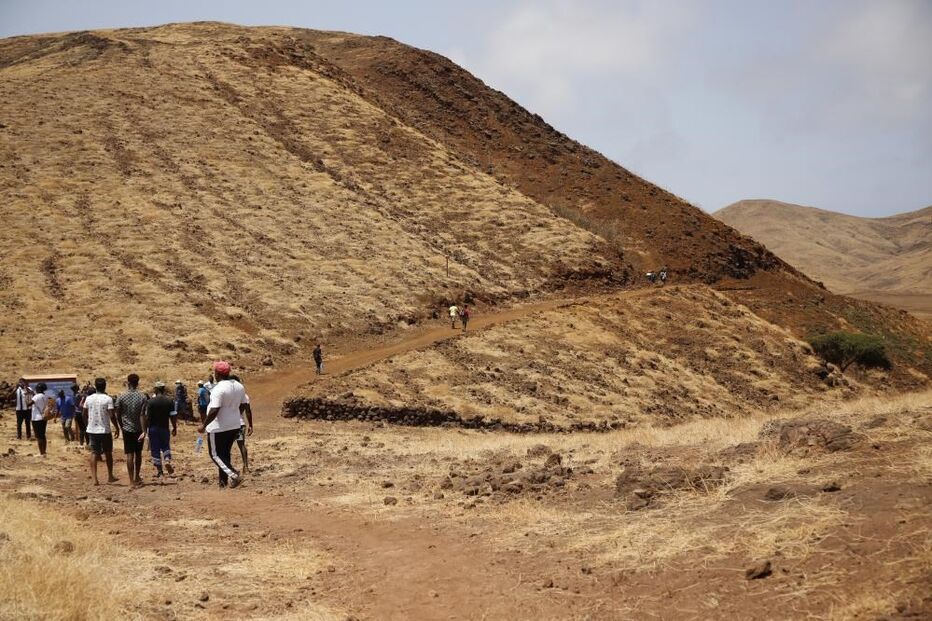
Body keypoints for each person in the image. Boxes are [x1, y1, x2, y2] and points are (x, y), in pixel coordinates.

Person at [199, 361, 248, 488]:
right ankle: (223, 483)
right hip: (234, 425)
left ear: (217, 373)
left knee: (215, 455)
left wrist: (204, 425)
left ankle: (234, 475)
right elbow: (243, 404)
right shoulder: (239, 386)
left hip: (217, 427)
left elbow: (214, 410)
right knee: (225, 454)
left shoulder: (218, 388)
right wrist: (235, 413)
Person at [84, 377, 118, 486]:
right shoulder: (108, 399)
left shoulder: (88, 398)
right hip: (105, 430)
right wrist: (117, 427)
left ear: (95, 386)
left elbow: (84, 413)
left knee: (94, 453)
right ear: (105, 386)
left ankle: (95, 479)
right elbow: (112, 415)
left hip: (92, 430)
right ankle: (110, 476)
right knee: (108, 453)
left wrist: (87, 424)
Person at [115, 373, 148, 487]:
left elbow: (118, 414)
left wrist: (121, 425)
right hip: (139, 429)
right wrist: (145, 430)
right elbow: (144, 415)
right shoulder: (142, 397)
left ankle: (131, 480)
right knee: (138, 454)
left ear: (128, 383)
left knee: (129, 454)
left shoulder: (121, 396)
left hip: (127, 429)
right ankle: (137, 476)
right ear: (137, 383)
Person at [143, 382, 177, 479]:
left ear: (156, 389)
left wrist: (145, 430)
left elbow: (147, 417)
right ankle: (166, 460)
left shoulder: (151, 402)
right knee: (165, 446)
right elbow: (173, 416)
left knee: (155, 449)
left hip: (153, 428)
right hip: (164, 427)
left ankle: (160, 472)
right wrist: (174, 427)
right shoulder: (170, 401)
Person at [229, 375, 254, 472]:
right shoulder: (244, 396)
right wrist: (251, 425)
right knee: (242, 445)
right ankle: (246, 467)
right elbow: (248, 411)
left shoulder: (227, 394)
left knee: (227, 447)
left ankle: (229, 468)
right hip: (239, 424)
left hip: (228, 425)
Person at [29, 382, 50, 456]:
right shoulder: (45, 396)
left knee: (38, 436)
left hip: (36, 418)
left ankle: (41, 453)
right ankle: (44, 451)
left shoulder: (36, 396)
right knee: (43, 435)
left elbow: (29, 403)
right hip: (43, 417)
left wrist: (28, 396)